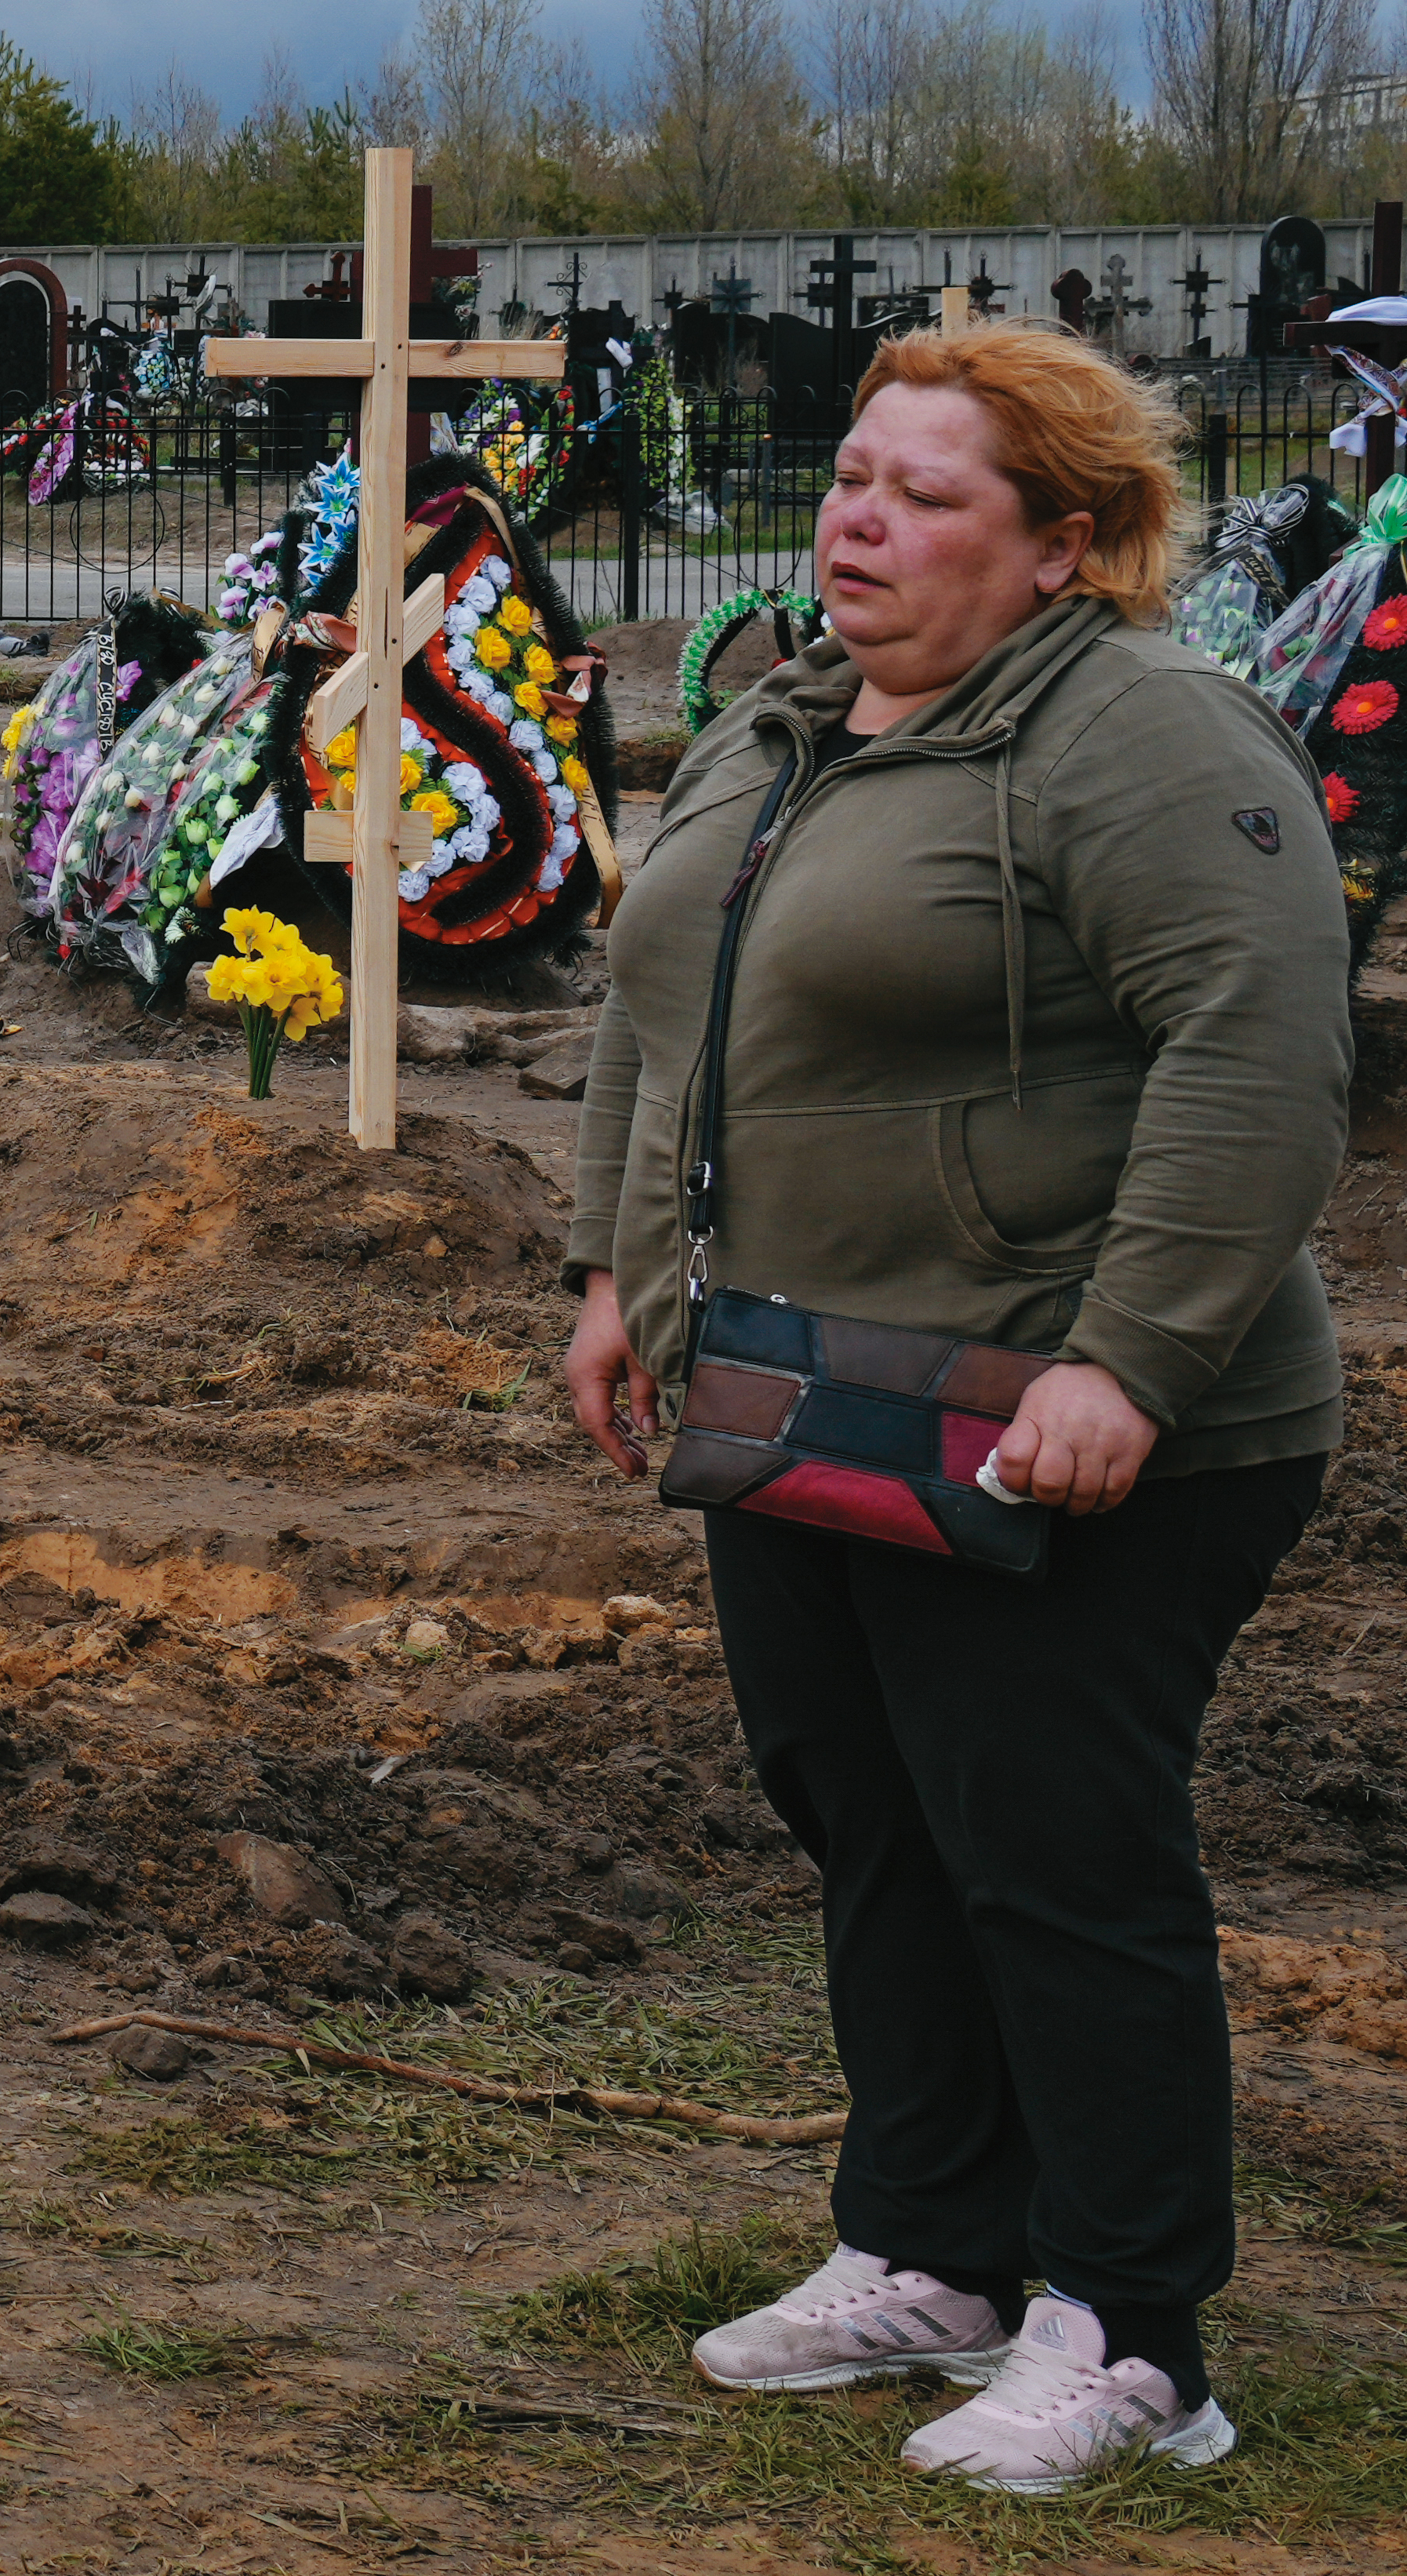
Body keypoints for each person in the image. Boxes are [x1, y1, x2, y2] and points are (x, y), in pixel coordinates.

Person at [561, 322, 1346, 2495]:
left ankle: (1131, 2329)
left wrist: (1128, 1354)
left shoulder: (1141, 738)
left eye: (921, 491)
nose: (853, 516)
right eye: (848, 472)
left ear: (1061, 548)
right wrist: (613, 1276)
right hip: (804, 1391)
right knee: (869, 1816)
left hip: (1074, 1412)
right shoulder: (779, 722)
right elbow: (660, 1008)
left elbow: (1254, 1051)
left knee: (1049, 1850)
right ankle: (931, 2245)